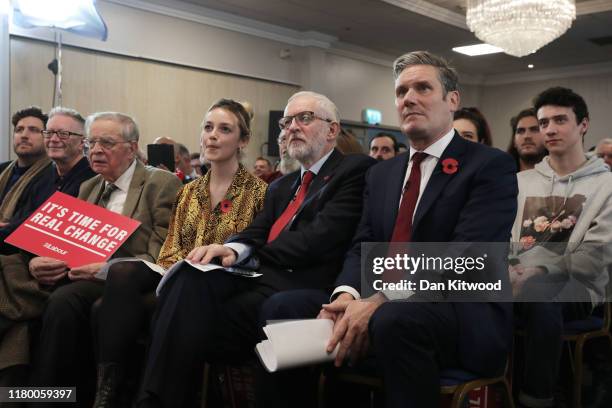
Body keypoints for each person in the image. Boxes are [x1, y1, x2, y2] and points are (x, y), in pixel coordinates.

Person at [260, 51, 518, 408]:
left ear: (452, 100)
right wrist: (347, 296)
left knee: (395, 318)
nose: (409, 98)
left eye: (423, 88)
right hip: (382, 304)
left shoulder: (489, 166)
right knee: (286, 306)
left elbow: (468, 256)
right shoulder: (382, 173)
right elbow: (361, 244)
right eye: (401, 92)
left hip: (458, 310)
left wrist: (380, 300)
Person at [136, 91, 375, 408]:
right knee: (191, 278)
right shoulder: (281, 186)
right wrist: (230, 250)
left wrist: (253, 255)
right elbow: (256, 231)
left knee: (190, 320)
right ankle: (156, 400)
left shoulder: (352, 170)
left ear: (332, 130)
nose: (292, 128)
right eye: (287, 122)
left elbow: (319, 238)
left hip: (306, 282)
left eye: (304, 119)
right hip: (262, 278)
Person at [91, 99, 267, 407]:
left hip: (226, 283)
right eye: (208, 128)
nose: (212, 136)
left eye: (224, 129)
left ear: (243, 140)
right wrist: (173, 269)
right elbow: (171, 248)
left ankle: (143, 396)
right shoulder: (189, 191)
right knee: (109, 300)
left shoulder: (259, 192)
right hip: (179, 275)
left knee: (140, 304)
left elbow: (254, 251)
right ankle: (111, 390)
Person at [28, 112, 182, 407]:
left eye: (107, 142)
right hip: (88, 275)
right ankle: (48, 397)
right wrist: (41, 259)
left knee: (68, 301)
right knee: (54, 299)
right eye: (91, 142)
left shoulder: (159, 183)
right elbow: (68, 243)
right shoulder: (89, 187)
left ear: (131, 147)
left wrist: (108, 268)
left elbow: (162, 252)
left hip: (136, 277)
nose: (96, 150)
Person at [509, 87, 612, 408]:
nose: (549, 129)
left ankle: (536, 399)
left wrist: (538, 270)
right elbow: (500, 236)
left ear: (583, 125)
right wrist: (509, 266)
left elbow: (597, 254)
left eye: (560, 120)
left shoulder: (606, 185)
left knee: (543, 294)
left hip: (577, 287)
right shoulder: (520, 182)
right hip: (517, 277)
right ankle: (489, 387)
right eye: (543, 123)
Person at [0, 107, 95, 385]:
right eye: (50, 132)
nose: (53, 138)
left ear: (82, 141)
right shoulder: (47, 178)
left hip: (55, 272)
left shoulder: (90, 179)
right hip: (28, 263)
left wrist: (29, 254)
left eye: (63, 133)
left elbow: (54, 237)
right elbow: (25, 227)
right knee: (17, 333)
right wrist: (29, 256)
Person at [0, 106, 51, 254]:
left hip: (16, 253)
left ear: (47, 137)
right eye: (19, 130)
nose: (24, 135)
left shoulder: (52, 176)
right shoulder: (3, 170)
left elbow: (27, 227)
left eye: (34, 130)